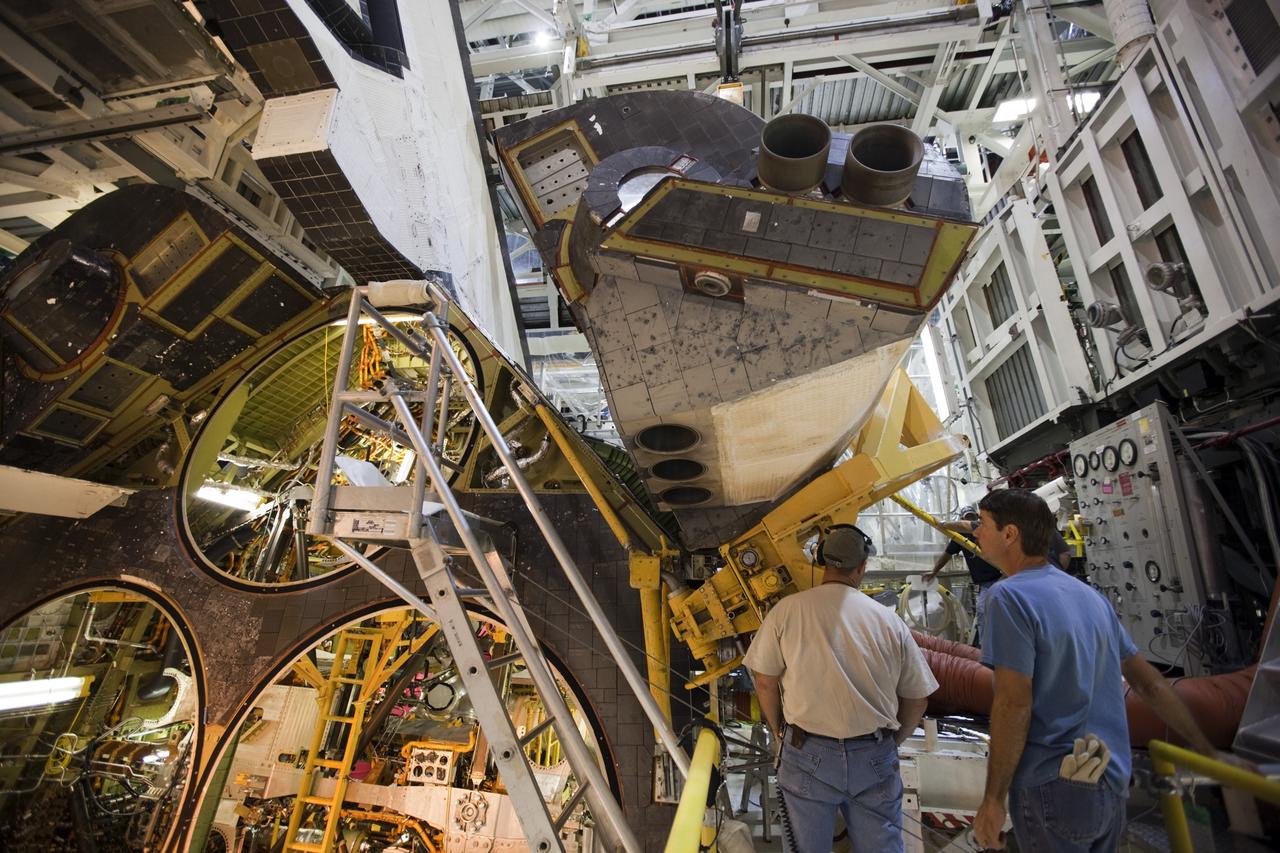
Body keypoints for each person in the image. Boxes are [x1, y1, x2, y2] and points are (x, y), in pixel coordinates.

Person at [970, 489, 1222, 852]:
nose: (976, 532)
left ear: (1010, 535)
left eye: (983, 524)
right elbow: (1150, 683)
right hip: (1110, 781)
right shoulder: (1089, 596)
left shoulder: (1007, 597)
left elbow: (1013, 703)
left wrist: (993, 800)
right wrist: (1204, 747)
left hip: (1055, 786)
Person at [745, 525, 939, 853]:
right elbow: (918, 697)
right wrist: (894, 741)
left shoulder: (787, 612)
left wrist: (779, 733)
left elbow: (764, 679)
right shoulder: (888, 621)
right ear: (861, 568)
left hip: (807, 752)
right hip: (873, 755)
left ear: (822, 562)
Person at [926, 505, 1002, 645]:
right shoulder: (960, 537)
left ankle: (991, 651)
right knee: (983, 614)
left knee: (995, 613)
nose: (970, 521)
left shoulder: (985, 531)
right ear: (963, 518)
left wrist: (942, 523)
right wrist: (934, 571)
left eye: (973, 517)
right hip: (985, 583)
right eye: (968, 518)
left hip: (1001, 578)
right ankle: (987, 652)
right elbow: (947, 554)